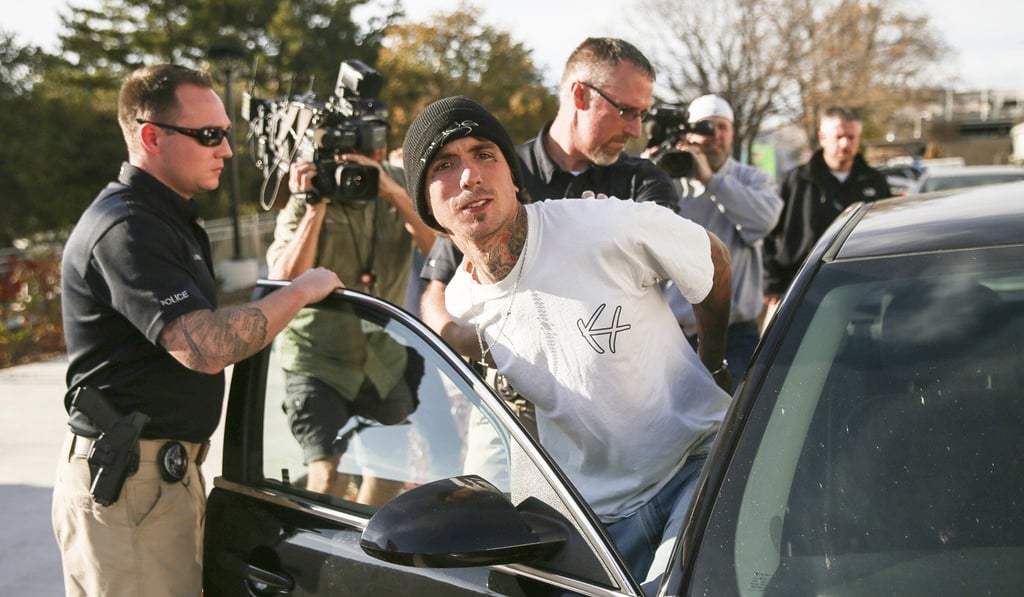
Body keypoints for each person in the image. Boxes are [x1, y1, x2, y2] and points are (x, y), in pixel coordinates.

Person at [402, 95, 733, 589]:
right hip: (596, 517)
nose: (470, 176)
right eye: (445, 164)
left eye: (484, 155)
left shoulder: (603, 225)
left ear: (513, 175)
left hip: (694, 464)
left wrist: (713, 360)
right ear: (427, 207)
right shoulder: (464, 302)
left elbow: (715, 260)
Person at [54, 64, 341, 597]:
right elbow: (204, 346)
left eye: (227, 134)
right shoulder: (126, 228)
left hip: (158, 476)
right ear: (150, 136)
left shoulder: (162, 218)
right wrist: (301, 292)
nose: (227, 150)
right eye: (209, 135)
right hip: (131, 485)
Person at [419, 37, 678, 361]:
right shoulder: (495, 172)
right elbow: (436, 293)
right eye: (626, 111)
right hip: (506, 397)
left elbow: (677, 266)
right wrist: (478, 347)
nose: (636, 131)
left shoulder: (646, 182)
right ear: (580, 94)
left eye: (642, 114)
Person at [266, 140, 436, 504]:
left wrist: (392, 192)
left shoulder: (396, 182)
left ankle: (358, 552)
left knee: (388, 477)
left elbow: (438, 251)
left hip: (383, 359)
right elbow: (283, 281)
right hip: (317, 359)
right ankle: (317, 555)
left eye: (367, 149)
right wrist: (315, 205)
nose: (355, 162)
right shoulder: (311, 191)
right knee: (328, 476)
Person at [655, 95, 782, 382]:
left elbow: (764, 221)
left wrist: (712, 180)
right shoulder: (668, 181)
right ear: (688, 134)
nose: (713, 135)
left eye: (722, 127)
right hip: (675, 336)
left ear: (733, 132)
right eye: (704, 127)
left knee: (737, 422)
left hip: (734, 336)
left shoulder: (752, 179)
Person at [763, 106, 892, 317]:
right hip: (797, 293)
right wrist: (771, 282)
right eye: (839, 136)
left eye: (851, 137)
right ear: (822, 137)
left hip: (862, 295)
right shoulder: (795, 182)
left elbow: (890, 237)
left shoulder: (875, 183)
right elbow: (766, 233)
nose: (845, 143)